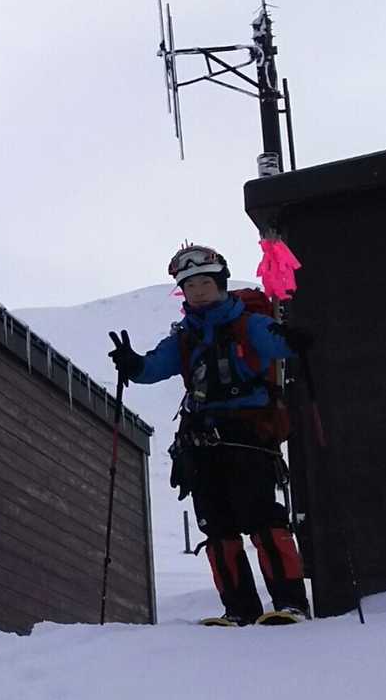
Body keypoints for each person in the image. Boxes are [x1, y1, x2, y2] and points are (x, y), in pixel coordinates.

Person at [108, 244, 313, 626]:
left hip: (249, 436)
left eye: (204, 283)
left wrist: (295, 338)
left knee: (261, 517)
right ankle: (239, 610)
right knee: (217, 526)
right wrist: (133, 364)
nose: (198, 291)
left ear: (220, 284)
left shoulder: (249, 324)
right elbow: (154, 367)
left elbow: (278, 344)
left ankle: (291, 604)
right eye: (190, 286)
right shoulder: (185, 336)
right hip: (201, 442)